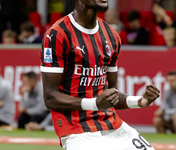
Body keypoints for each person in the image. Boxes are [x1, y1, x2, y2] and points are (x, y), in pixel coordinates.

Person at [40, 0, 160, 150]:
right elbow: (50, 97)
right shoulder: (57, 34)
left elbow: (111, 95)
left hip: (113, 125)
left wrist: (140, 101)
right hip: (77, 132)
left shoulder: (112, 35)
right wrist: (95, 104)